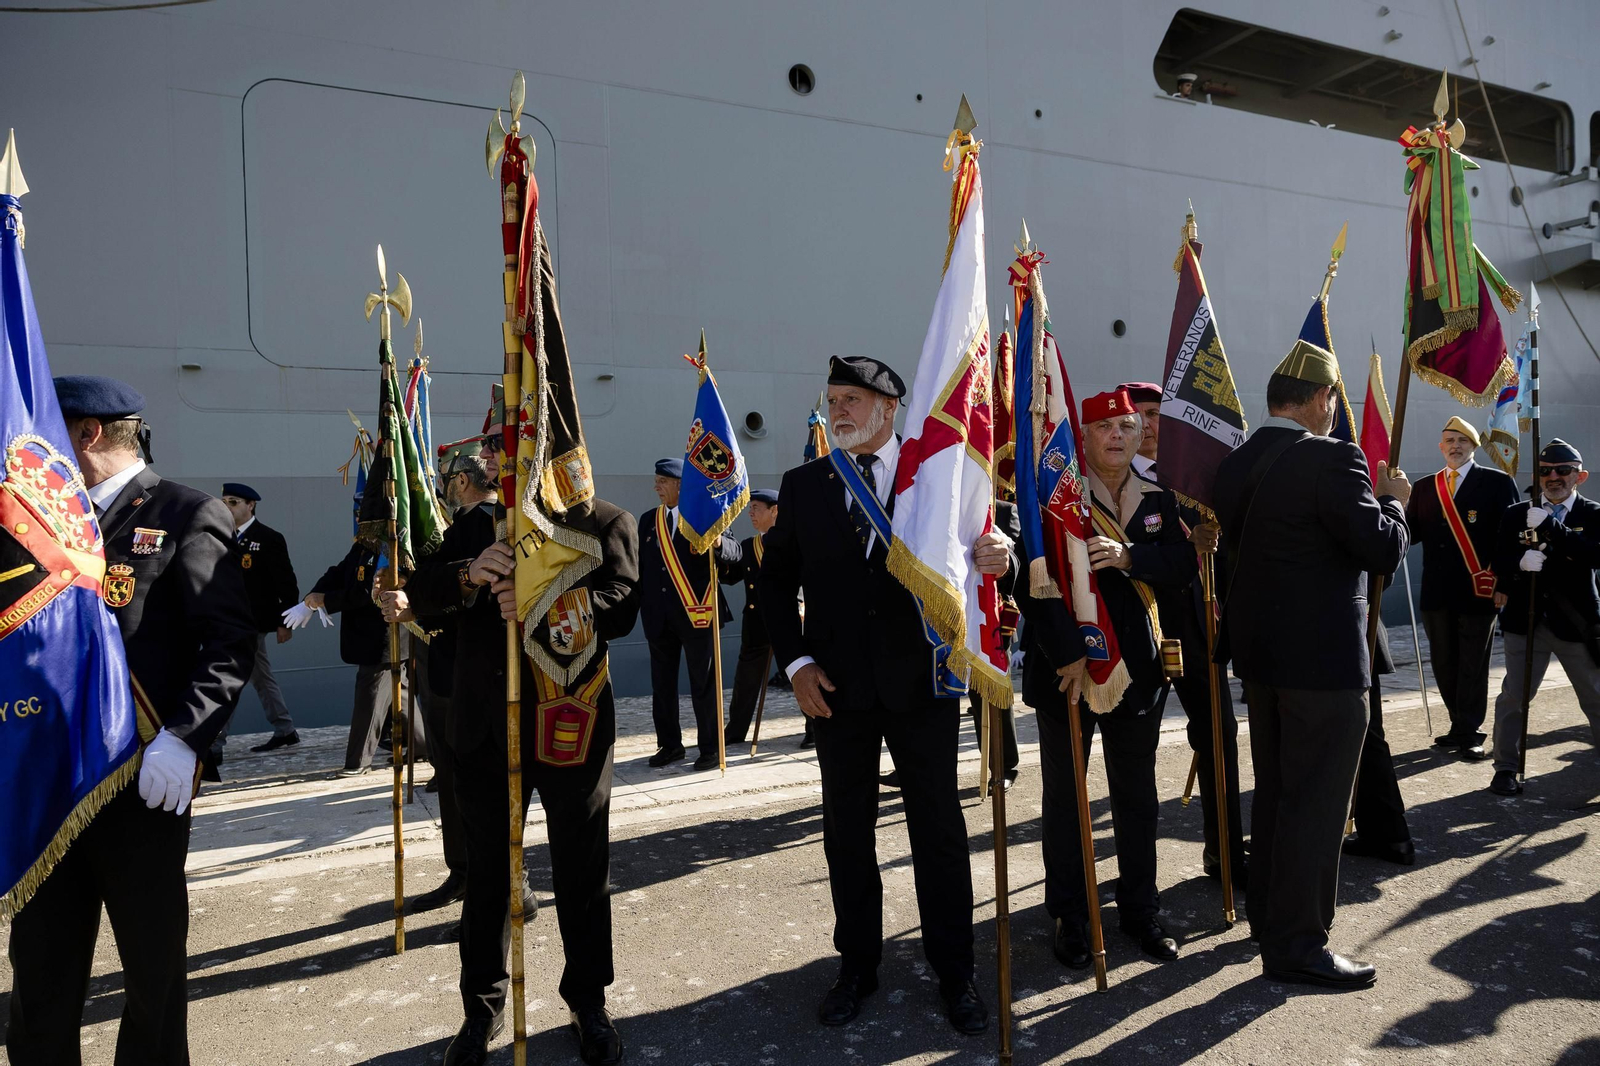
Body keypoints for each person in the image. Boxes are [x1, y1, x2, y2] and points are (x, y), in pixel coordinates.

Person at [759, 355, 1012, 1036]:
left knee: (938, 832)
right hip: (836, 690)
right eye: (833, 398)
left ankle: (955, 971)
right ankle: (857, 967)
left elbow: (984, 542)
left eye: (852, 399)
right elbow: (775, 585)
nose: (838, 409)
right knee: (848, 835)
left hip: (923, 684)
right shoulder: (805, 483)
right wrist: (799, 662)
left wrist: (1001, 556)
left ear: (889, 408)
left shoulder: (938, 476)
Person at [7, 376, 255, 1064]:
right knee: (39, 977)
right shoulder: (43, 525)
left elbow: (228, 641)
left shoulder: (184, 512)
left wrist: (186, 737)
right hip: (52, 782)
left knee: (151, 977)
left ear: (87, 434)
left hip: (140, 782)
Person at [389, 483, 639, 1066]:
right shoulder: (477, 527)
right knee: (488, 877)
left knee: (582, 869)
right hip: (484, 728)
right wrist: (470, 575)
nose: (513, 453)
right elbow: (420, 591)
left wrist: (548, 603)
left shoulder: (605, 520)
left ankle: (588, 1001)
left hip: (569, 722)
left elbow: (623, 603)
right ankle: (481, 1009)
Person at [1212, 340, 1410, 990]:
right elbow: (1378, 549)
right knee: (1317, 806)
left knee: (1275, 798)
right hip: (1323, 666)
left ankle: (1271, 921)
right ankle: (1298, 945)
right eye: (1335, 400)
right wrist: (1396, 504)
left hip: (1263, 661)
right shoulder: (1333, 458)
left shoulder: (1236, 463)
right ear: (1322, 399)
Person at [1021, 389, 1196, 969]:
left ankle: (1141, 911)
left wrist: (1129, 558)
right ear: (1083, 436)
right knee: (1067, 800)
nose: (1119, 437)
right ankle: (1072, 916)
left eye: (1127, 426)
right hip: (1068, 672)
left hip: (1138, 674)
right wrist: (1065, 653)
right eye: (1105, 429)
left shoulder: (1158, 499)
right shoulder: (1055, 498)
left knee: (1137, 797)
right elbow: (1033, 581)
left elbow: (1181, 567)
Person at [1120, 379, 1246, 885]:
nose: (1150, 426)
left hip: (1194, 628)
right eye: (1140, 417)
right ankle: (1135, 876)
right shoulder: (1105, 481)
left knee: (1220, 738)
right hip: (1139, 631)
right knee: (1136, 751)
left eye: (1157, 415)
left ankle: (1226, 855)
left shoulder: (1195, 480)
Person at [378, 436, 493, 915]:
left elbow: (475, 601)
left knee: (469, 785)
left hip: (465, 671)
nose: (439, 491)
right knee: (451, 780)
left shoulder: (480, 525)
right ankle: (463, 873)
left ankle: (483, 883)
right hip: (447, 668)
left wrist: (417, 607)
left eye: (443, 482)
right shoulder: (472, 523)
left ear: (461, 481)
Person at [1485, 438, 1600, 796]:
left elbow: (1594, 557)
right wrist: (1518, 567)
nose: (1553, 477)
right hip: (1526, 620)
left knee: (1595, 697)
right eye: (1545, 471)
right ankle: (1505, 767)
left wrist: (1553, 529)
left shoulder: (1593, 514)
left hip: (1575, 625)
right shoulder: (1515, 513)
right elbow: (1500, 561)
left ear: (1579, 476)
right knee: (1513, 698)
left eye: (1562, 471)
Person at [1405, 417, 1518, 758]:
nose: (1455, 445)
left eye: (1462, 440)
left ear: (1474, 446)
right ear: (1441, 447)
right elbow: (1410, 533)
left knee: (1473, 661)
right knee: (1443, 660)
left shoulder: (1496, 483)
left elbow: (1510, 538)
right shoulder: (1426, 486)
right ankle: (1458, 724)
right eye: (1449, 440)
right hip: (1436, 590)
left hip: (1479, 587)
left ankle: (1470, 730)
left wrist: (1506, 583)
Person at [638, 457, 737, 771]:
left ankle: (709, 748)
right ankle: (670, 746)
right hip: (659, 618)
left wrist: (718, 542)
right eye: (656, 481)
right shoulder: (647, 521)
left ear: (681, 485)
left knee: (704, 685)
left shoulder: (706, 515)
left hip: (699, 614)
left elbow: (736, 555)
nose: (656, 486)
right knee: (661, 686)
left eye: (662, 481)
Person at [300, 522, 418, 776]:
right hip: (366, 636)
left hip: (385, 636)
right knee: (402, 694)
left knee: (370, 695)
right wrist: (316, 592)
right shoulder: (365, 543)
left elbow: (373, 591)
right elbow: (341, 570)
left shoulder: (392, 544)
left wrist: (327, 600)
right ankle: (423, 745)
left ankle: (358, 761)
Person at [219, 482, 302, 755]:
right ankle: (285, 729)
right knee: (260, 677)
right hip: (227, 621)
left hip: (253, 622)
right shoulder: (220, 535)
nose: (227, 507)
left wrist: (284, 622)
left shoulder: (268, 538)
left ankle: (215, 742)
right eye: (224, 501)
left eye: (233, 502)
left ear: (250, 505)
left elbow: (286, 583)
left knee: (228, 676)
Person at [1343, 623, 1415, 865]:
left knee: (1364, 736)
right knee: (1367, 736)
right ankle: (1386, 833)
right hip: (1351, 629)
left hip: (1334, 629)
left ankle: (1388, 833)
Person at [718, 487, 779, 746]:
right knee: (745, 682)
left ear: (774, 511)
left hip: (789, 621)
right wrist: (718, 550)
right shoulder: (748, 546)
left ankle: (813, 729)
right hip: (756, 624)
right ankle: (735, 731)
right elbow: (730, 577)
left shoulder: (793, 541)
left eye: (756, 508)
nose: (750, 513)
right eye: (750, 508)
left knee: (800, 676)